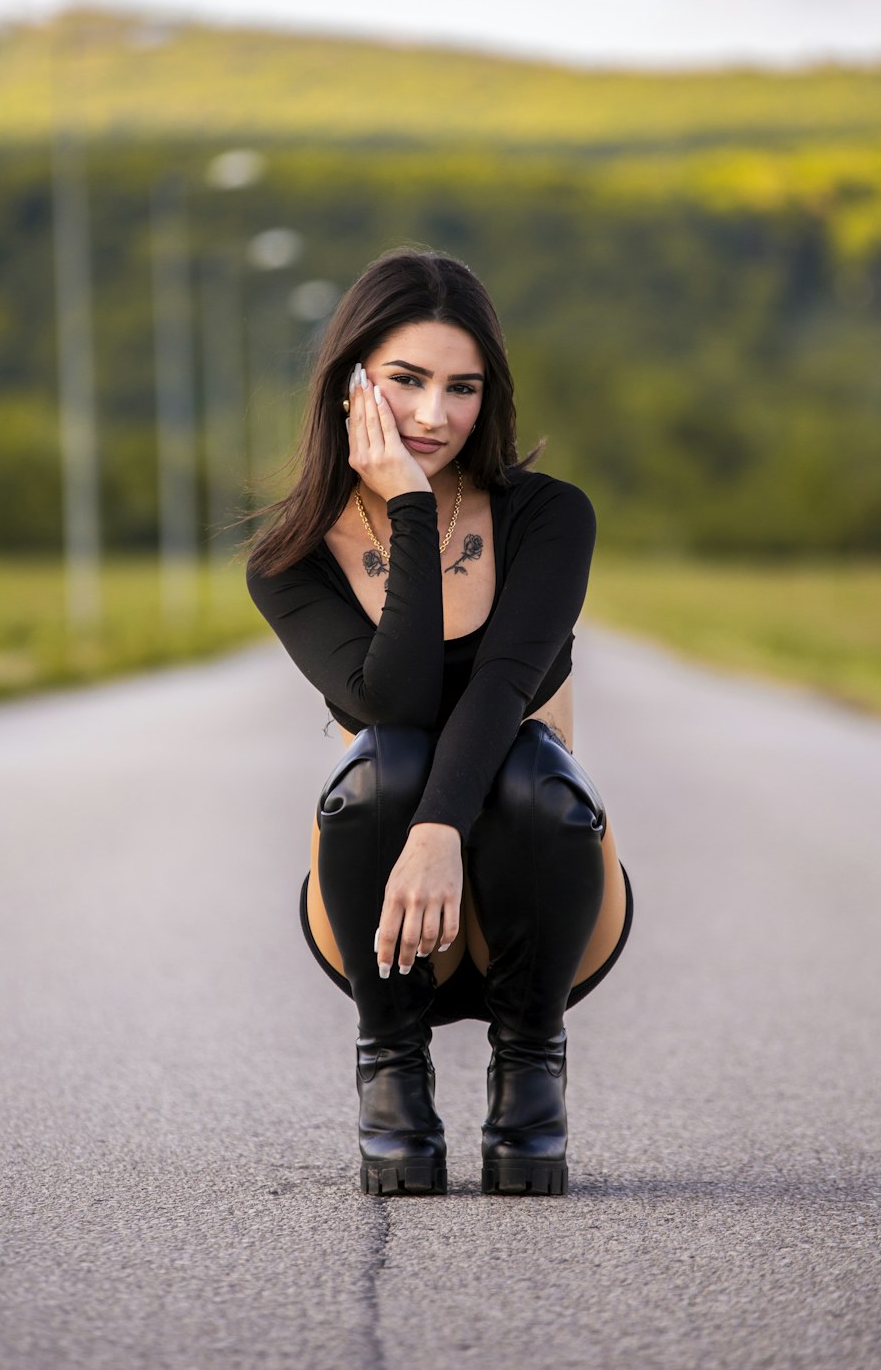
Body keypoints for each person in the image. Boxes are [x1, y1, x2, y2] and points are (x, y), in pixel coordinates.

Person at [244, 247, 633, 1197]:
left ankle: (531, 1077)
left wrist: (440, 832)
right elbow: (398, 703)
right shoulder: (287, 562)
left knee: (527, 767)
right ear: (350, 386)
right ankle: (392, 1079)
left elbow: (502, 686)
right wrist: (410, 507)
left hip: (539, 908)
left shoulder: (549, 518)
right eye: (407, 381)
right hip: (382, 919)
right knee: (385, 761)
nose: (434, 415)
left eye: (463, 388)